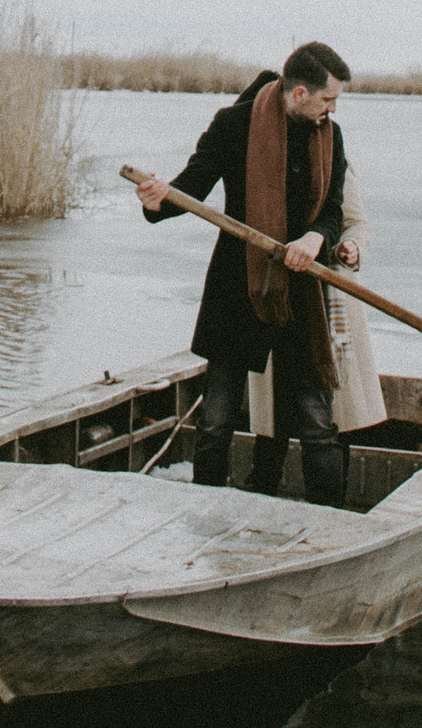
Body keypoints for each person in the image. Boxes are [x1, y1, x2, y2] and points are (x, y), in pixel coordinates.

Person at [135, 41, 354, 507]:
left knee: (316, 422)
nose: (332, 110)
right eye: (327, 100)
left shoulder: (330, 137)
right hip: (238, 285)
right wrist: (159, 199)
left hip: (301, 289)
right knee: (215, 418)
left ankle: (332, 524)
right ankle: (206, 511)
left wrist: (315, 238)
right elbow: (191, 187)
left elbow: (333, 209)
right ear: (298, 94)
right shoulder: (233, 125)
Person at [245, 159, 386, 493]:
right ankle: (260, 496)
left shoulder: (333, 159)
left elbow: (355, 224)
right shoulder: (263, 154)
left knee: (327, 410)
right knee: (272, 413)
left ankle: (328, 508)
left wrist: (351, 248)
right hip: (273, 295)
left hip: (325, 299)